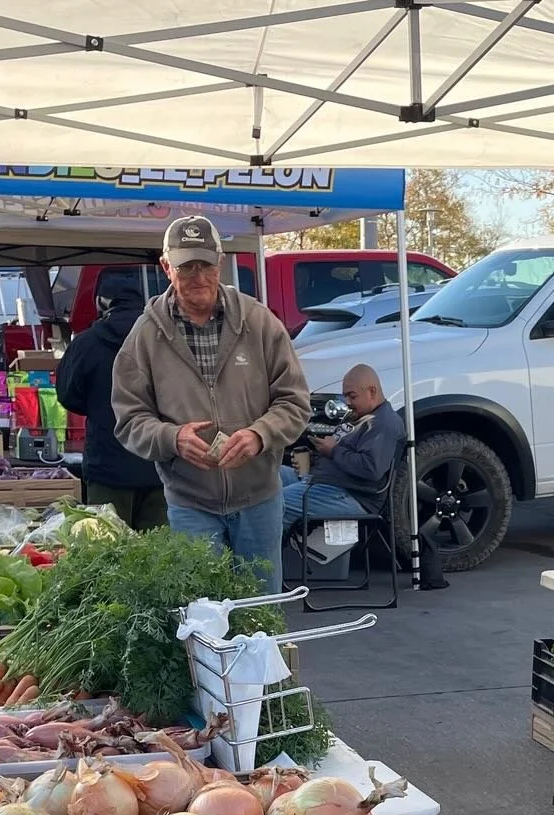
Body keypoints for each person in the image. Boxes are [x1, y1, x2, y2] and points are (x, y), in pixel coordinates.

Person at [112, 215, 309, 593]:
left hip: (259, 499)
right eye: (186, 266)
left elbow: (295, 401)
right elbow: (128, 418)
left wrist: (259, 434)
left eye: (205, 263)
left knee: (261, 613)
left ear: (220, 261)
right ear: (167, 267)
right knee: (202, 618)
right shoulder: (146, 335)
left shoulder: (259, 322)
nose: (198, 275)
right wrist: (172, 438)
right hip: (190, 504)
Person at [54, 272, 167, 530]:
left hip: (107, 468)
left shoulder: (86, 343)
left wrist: (98, 406)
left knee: (107, 555)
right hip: (158, 467)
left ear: (102, 302)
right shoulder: (164, 341)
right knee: (159, 558)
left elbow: (67, 395)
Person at [281, 363, 404, 534]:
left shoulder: (382, 424)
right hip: (323, 480)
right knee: (267, 478)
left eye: (352, 396)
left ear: (372, 391)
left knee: (275, 504)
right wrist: (313, 458)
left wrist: (333, 451)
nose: (347, 402)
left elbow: (371, 469)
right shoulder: (358, 415)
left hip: (353, 495)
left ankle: (263, 559)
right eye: (345, 396)